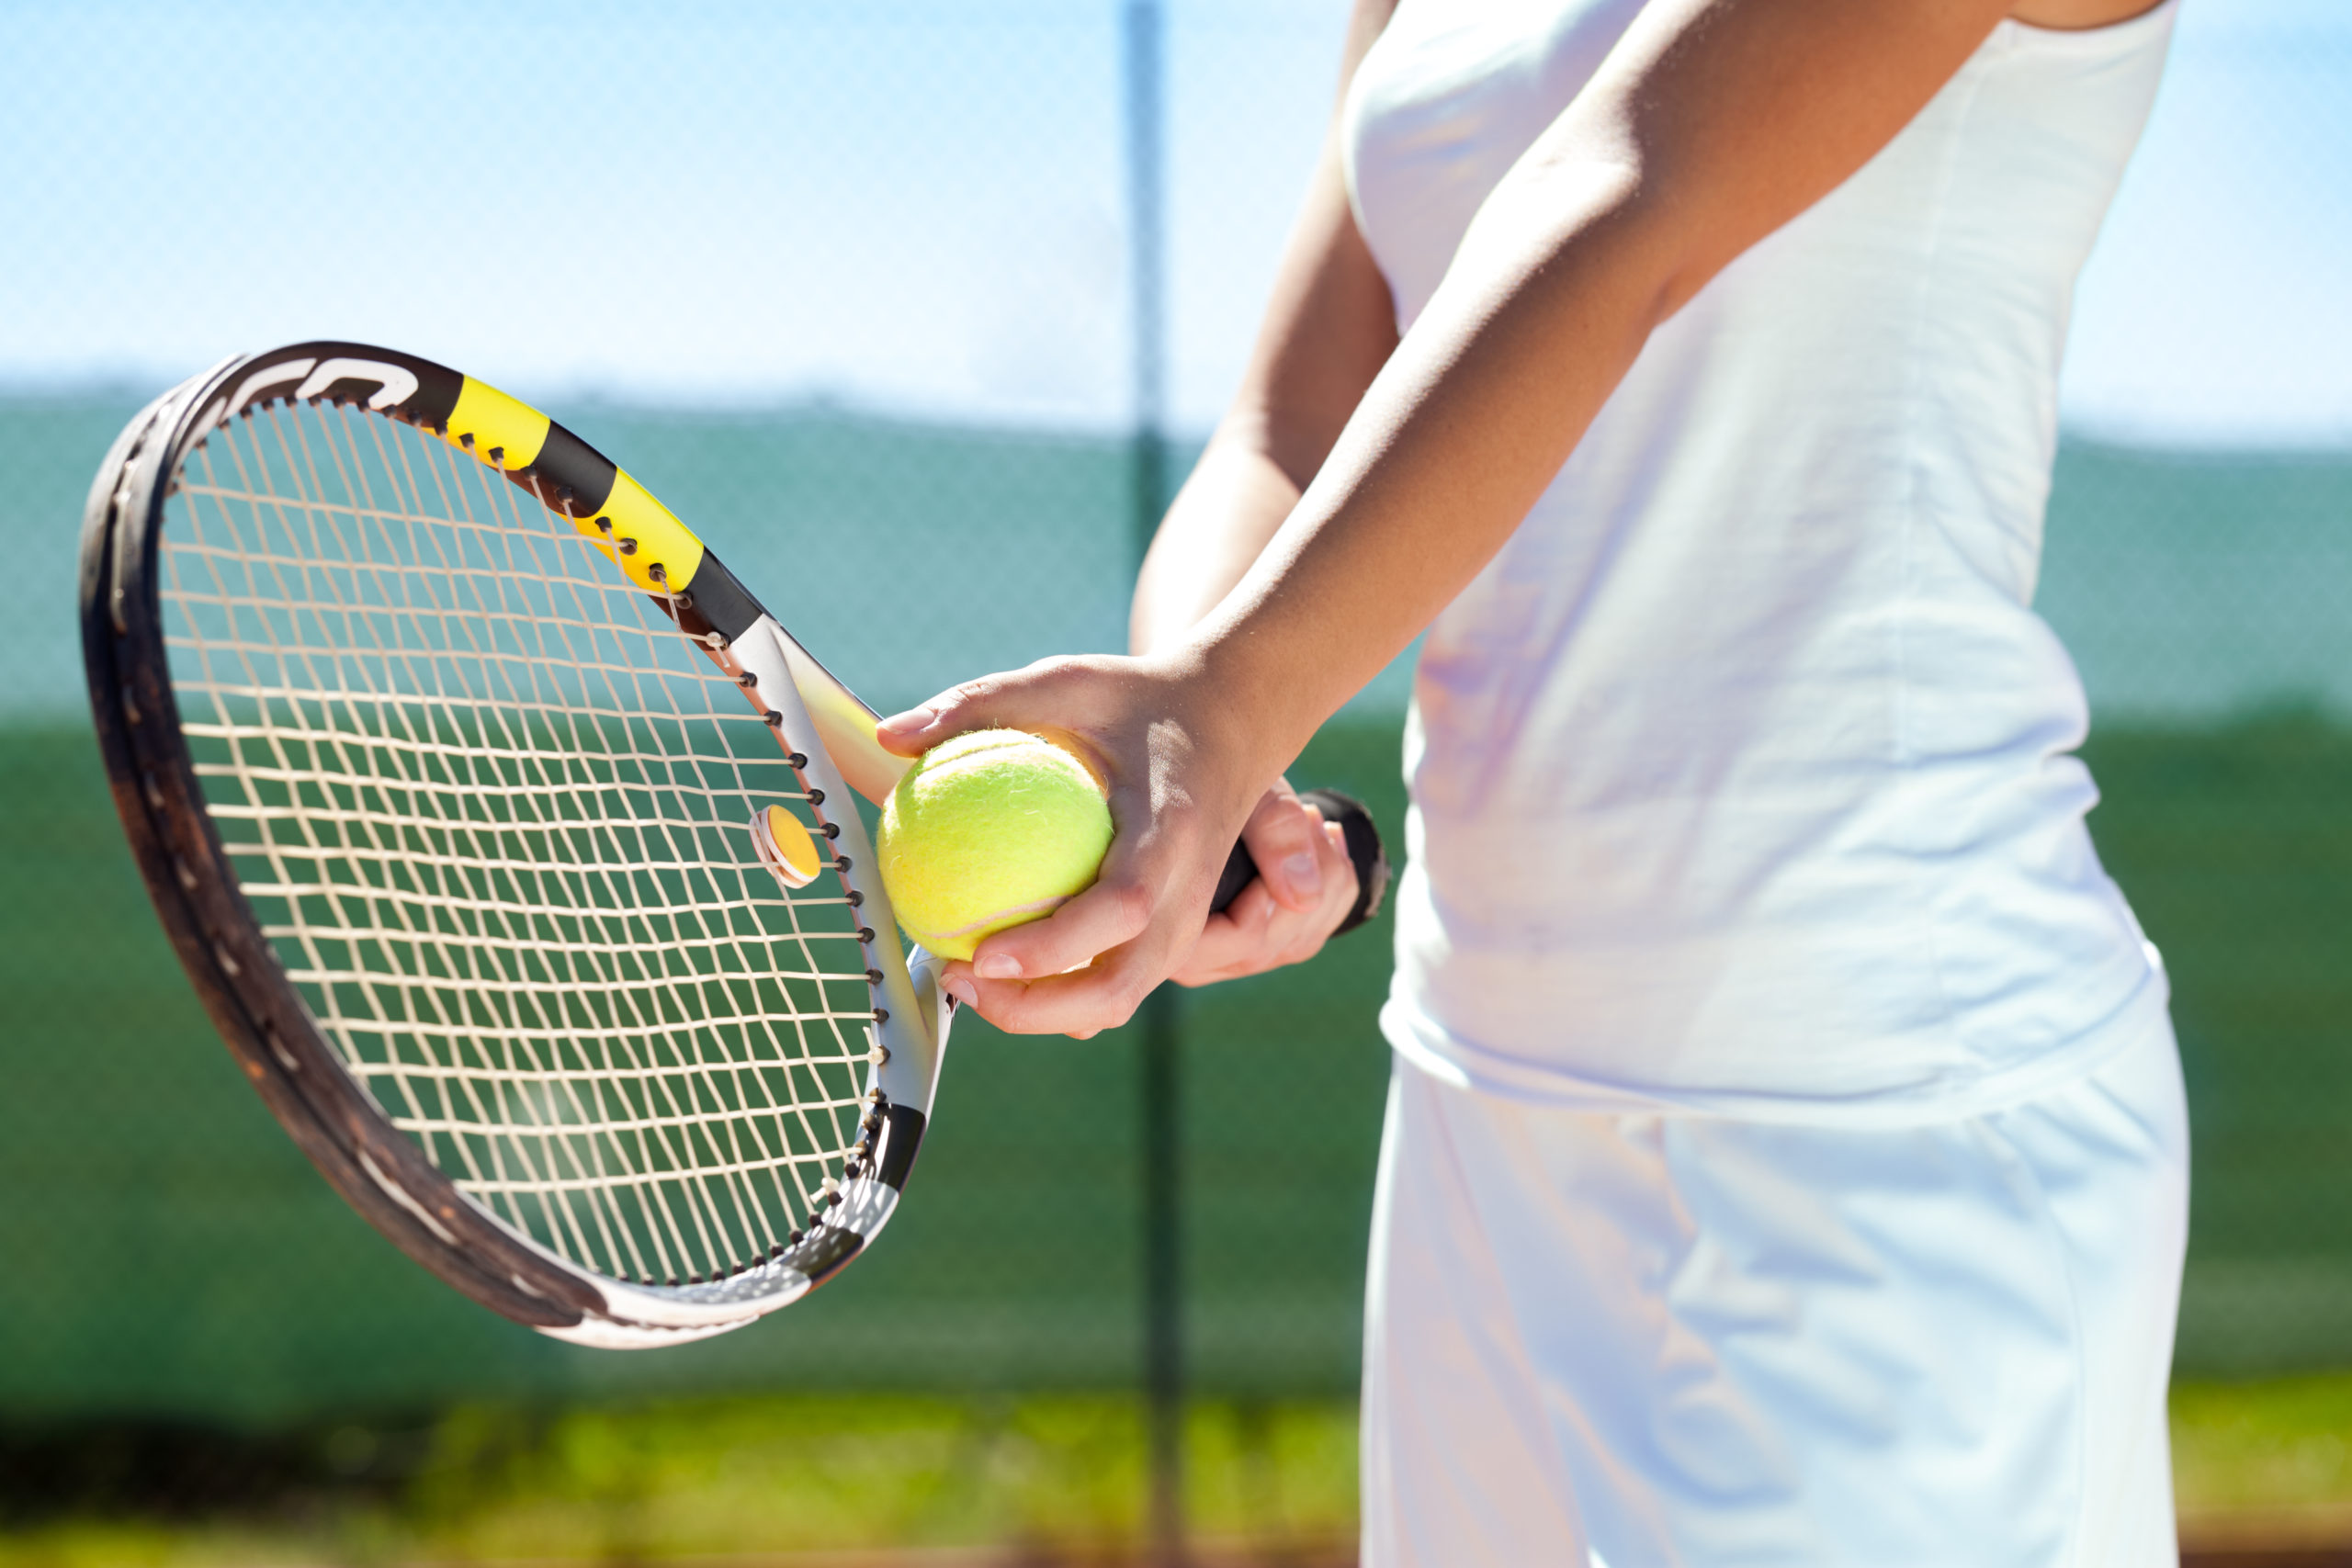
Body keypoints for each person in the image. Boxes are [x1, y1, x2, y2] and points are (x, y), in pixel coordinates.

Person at [879, 0, 2187, 1560]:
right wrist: (1217, 758)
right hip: (1475, 1086)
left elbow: (1626, 197)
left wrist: (1223, 706)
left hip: (1873, 1115)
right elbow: (1289, 423)